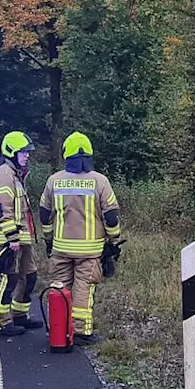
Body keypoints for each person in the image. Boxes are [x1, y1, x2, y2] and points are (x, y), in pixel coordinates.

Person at [39, 132, 123, 345]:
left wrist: (48, 239)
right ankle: (81, 332)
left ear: (66, 154)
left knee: (60, 286)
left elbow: (44, 212)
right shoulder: (100, 181)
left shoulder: (53, 181)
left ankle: (58, 330)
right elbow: (111, 216)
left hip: (60, 248)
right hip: (90, 250)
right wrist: (114, 241)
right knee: (84, 288)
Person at [0, 131, 42, 337]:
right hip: (9, 239)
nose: (27, 156)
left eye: (28, 152)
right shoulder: (4, 174)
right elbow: (3, 208)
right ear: (11, 152)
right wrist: (12, 237)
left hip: (21, 237)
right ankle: (0, 322)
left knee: (29, 277)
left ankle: (20, 315)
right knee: (8, 278)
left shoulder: (15, 175)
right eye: (23, 152)